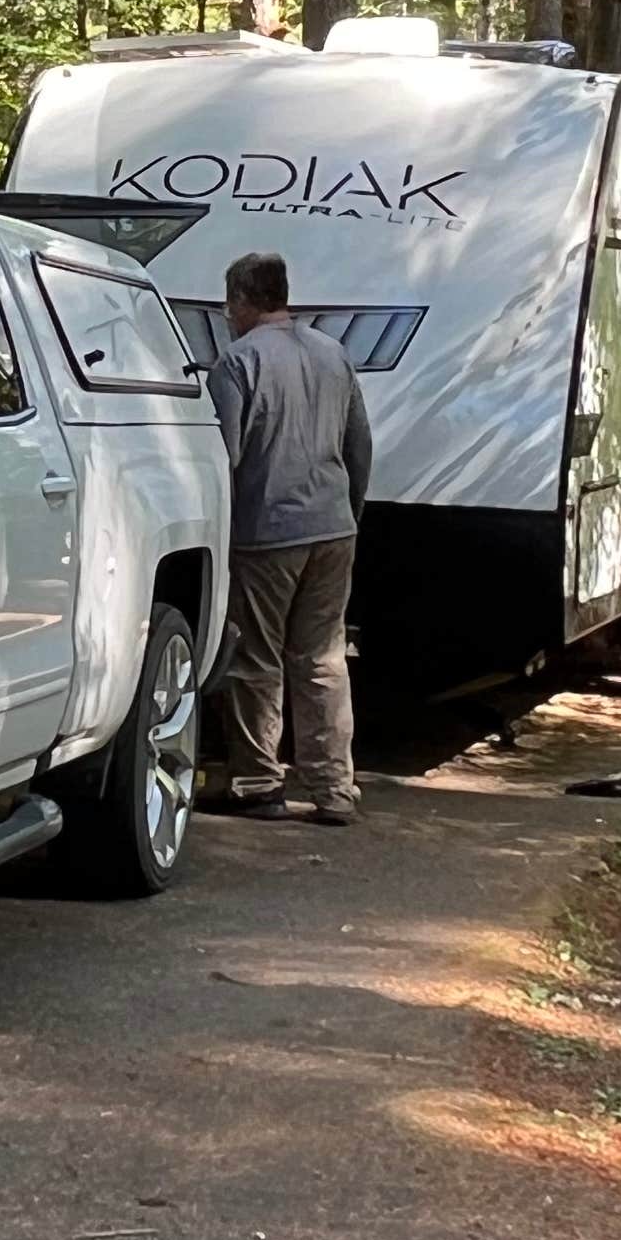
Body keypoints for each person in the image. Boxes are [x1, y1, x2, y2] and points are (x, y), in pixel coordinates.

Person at [205, 249, 376, 824]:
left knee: (256, 658)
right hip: (333, 528)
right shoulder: (334, 355)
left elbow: (223, 454)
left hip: (267, 533)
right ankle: (334, 790)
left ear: (242, 300)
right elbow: (360, 446)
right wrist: (348, 510)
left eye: (231, 303)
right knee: (323, 658)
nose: (229, 314)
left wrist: (215, 529)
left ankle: (258, 783)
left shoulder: (237, 362)